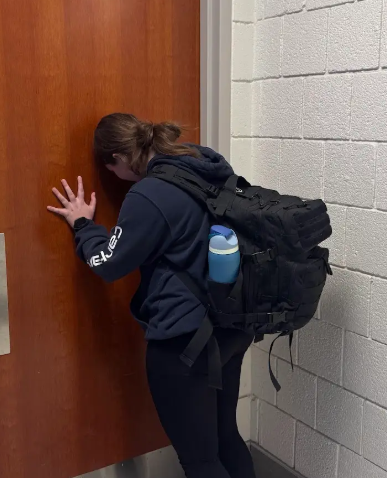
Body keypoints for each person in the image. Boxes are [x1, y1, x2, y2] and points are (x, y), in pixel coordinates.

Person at [46, 113, 256, 478]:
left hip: (185, 341)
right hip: (231, 324)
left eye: (109, 169)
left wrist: (83, 224)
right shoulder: (202, 161)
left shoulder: (150, 194)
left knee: (201, 460)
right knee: (225, 438)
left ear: (119, 160)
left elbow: (108, 263)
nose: (113, 177)